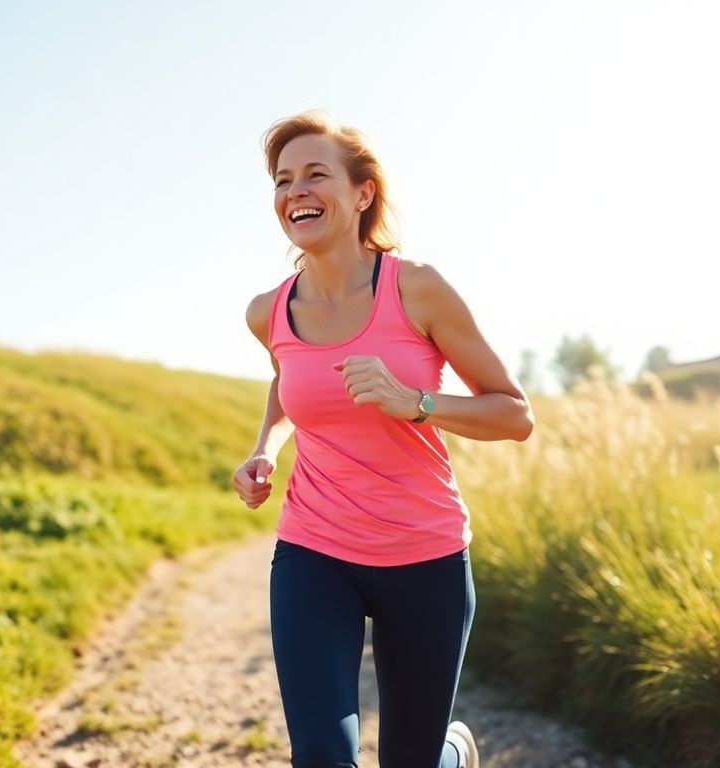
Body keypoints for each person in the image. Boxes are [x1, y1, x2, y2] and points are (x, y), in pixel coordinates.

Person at [232, 109, 535, 768]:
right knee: (320, 756)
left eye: (317, 174)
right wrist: (264, 447)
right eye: (284, 180)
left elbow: (515, 414)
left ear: (362, 192)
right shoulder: (269, 311)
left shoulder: (418, 290)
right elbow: (288, 383)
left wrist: (414, 402)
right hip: (316, 551)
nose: (296, 192)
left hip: (424, 556)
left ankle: (450, 754)